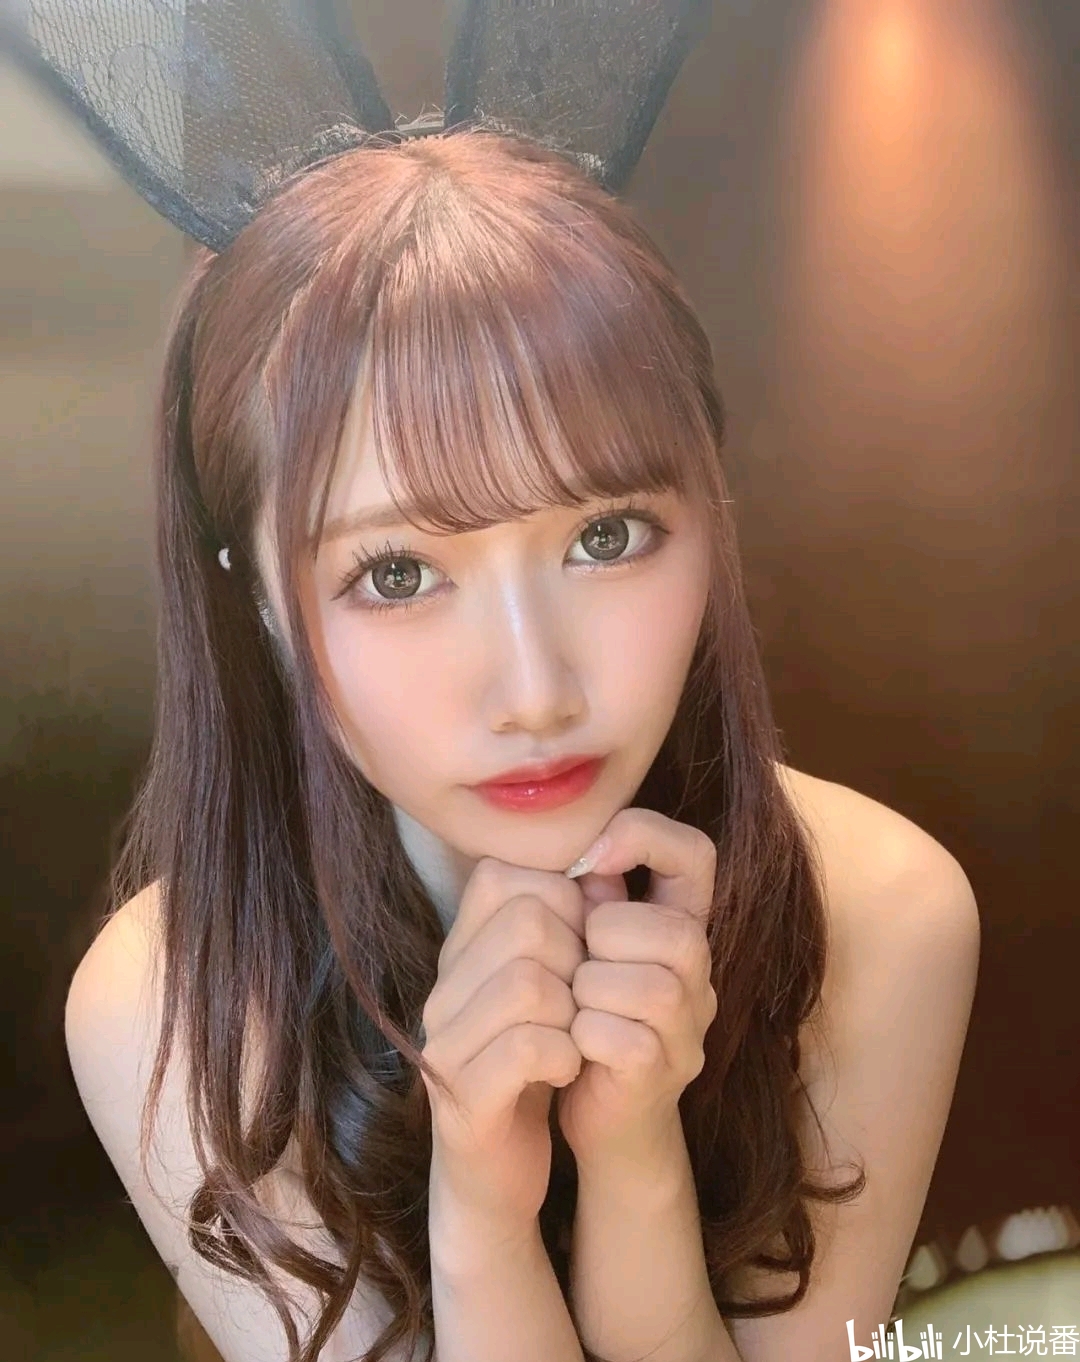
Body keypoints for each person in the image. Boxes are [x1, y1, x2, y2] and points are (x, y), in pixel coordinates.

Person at [61, 126, 979, 1362]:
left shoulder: (881, 910)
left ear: (712, 512)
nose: (536, 692)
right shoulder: (177, 1000)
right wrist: (482, 1220)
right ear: (259, 604)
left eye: (606, 537)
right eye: (397, 573)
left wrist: (637, 1162)